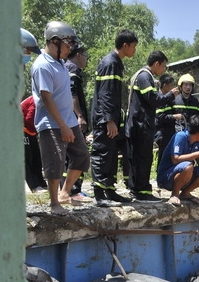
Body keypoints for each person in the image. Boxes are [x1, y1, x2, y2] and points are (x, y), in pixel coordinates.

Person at [31, 21, 90, 214]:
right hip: (52, 123)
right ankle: (54, 203)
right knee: (55, 163)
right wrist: (62, 125)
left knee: (81, 157)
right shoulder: (42, 65)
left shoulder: (61, 63)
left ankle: (65, 193)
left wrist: (71, 121)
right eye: (68, 44)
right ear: (55, 41)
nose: (70, 48)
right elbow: (46, 98)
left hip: (68, 121)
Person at [91, 29, 138, 207]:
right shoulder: (110, 62)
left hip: (111, 118)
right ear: (124, 45)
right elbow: (106, 94)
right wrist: (109, 120)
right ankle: (100, 195)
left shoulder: (116, 62)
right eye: (133, 46)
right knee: (102, 153)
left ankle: (109, 191)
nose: (134, 50)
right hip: (104, 119)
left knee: (110, 155)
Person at [125, 50, 179, 202]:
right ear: (156, 64)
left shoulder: (144, 76)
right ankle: (141, 191)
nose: (163, 70)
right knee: (142, 158)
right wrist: (170, 96)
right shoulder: (144, 76)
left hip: (140, 125)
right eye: (163, 66)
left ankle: (137, 189)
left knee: (140, 158)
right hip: (141, 126)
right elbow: (153, 100)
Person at [157, 115, 199, 206]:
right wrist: (198, 153)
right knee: (188, 166)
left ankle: (185, 193)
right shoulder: (180, 136)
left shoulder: (198, 141)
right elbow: (175, 160)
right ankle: (175, 194)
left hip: (186, 174)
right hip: (167, 178)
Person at [62, 42, 92, 202]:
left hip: (65, 118)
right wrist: (80, 115)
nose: (86, 59)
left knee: (69, 156)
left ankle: (68, 190)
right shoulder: (72, 69)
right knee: (77, 154)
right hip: (72, 120)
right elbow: (73, 95)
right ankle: (73, 190)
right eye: (85, 56)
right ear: (78, 55)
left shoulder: (66, 67)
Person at [20, 28, 47, 193]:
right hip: (23, 128)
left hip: (28, 130)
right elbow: (29, 119)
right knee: (27, 159)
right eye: (27, 50)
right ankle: (35, 186)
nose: (28, 55)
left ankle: (40, 185)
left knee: (35, 157)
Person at [154, 73, 183, 169]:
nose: (173, 88)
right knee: (163, 156)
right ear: (165, 85)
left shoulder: (170, 99)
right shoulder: (158, 98)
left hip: (170, 132)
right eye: (171, 85)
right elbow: (160, 117)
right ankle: (160, 177)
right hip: (161, 133)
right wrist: (175, 116)